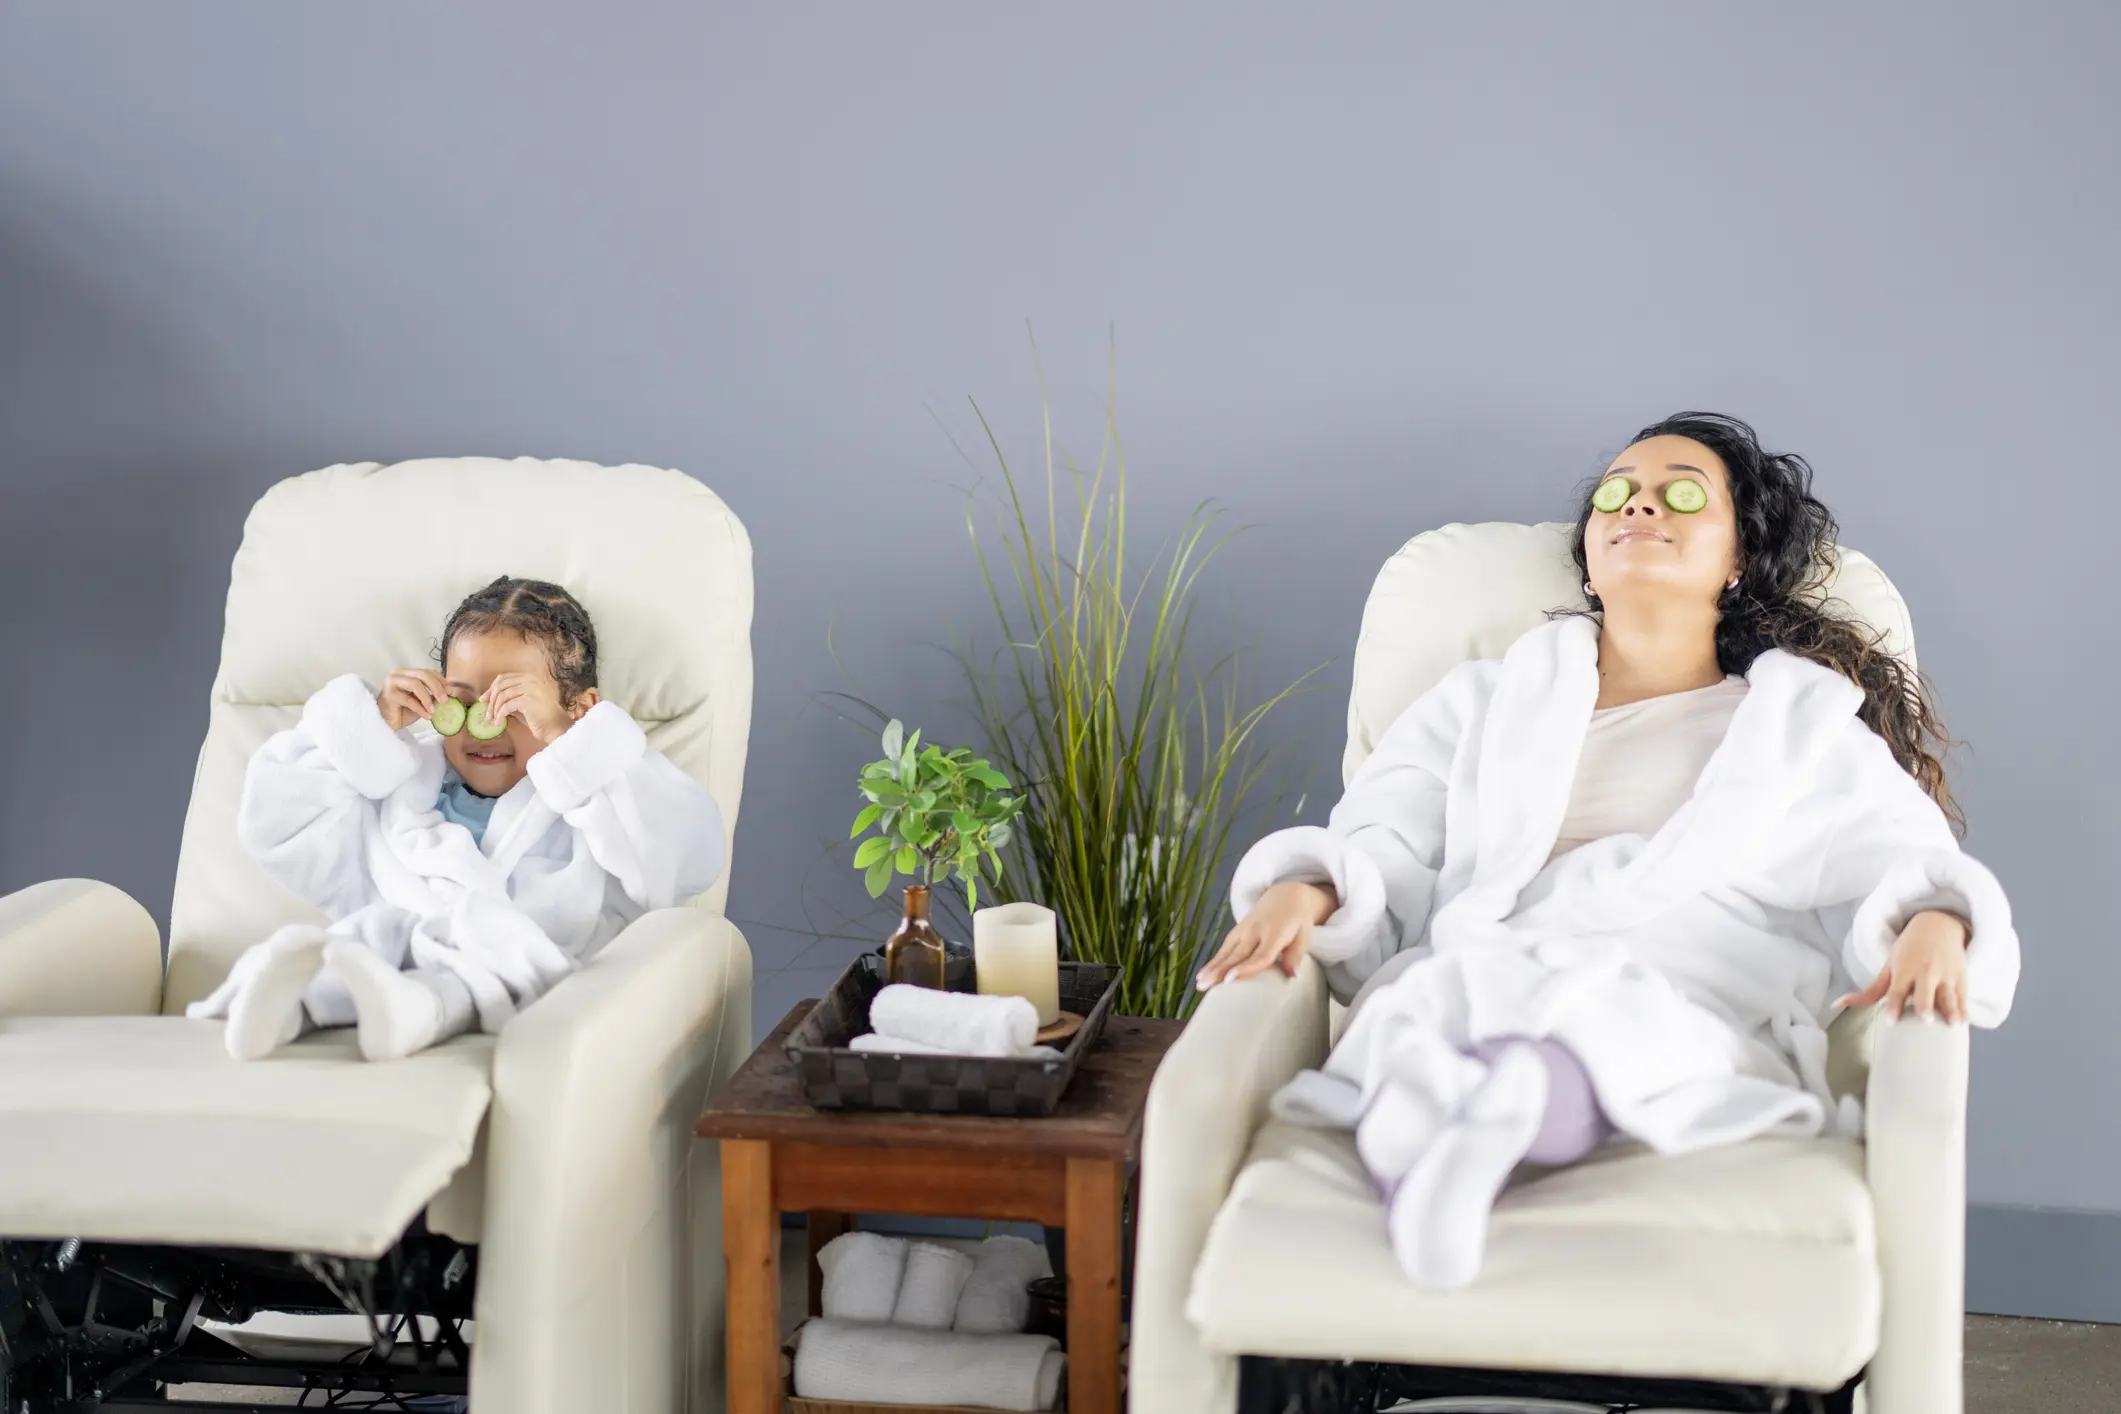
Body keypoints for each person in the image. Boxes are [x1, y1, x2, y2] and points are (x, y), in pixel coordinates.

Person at [1194, 412, 2020, 1289]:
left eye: (1683, 494)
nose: (1638, 507)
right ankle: (1449, 1135)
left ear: (1737, 558)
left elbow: (1893, 854)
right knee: (1423, 1009)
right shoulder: (1481, 701)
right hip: (1488, 957)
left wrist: (1935, 917)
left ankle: (1498, 1120)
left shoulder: (1790, 728)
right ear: (1589, 549)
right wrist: (1309, 888)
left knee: (1609, 1025)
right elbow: (1382, 836)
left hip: (1684, 983)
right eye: (1616, 494)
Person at [189, 576, 726, 1062]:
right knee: (370, 934)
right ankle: (290, 998)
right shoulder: (399, 788)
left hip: (533, 986)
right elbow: (274, 826)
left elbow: (685, 858)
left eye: (511, 705)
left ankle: (415, 1007)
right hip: (389, 959)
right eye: (463, 703)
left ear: (579, 708)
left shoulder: (602, 794)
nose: (480, 728)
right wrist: (366, 727)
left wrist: (571, 742)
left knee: (483, 945)